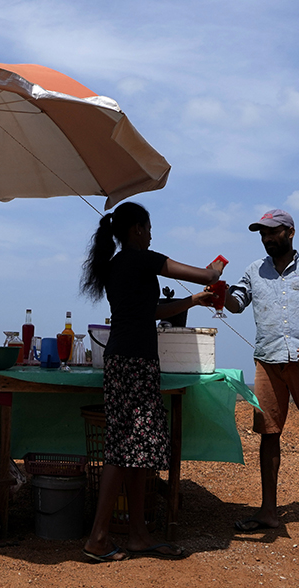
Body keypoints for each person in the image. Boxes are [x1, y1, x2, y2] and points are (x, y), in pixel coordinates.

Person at [79, 201, 223, 562]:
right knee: (122, 448)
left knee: (135, 449)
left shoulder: (114, 266)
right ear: (137, 230)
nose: (152, 233)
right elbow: (207, 273)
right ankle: (98, 538)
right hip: (135, 363)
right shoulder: (144, 258)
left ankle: (138, 534)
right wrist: (218, 266)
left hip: (122, 360)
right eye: (149, 227)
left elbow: (152, 311)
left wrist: (193, 301)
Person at [224, 208, 299, 543]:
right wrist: (217, 290)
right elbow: (236, 303)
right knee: (269, 434)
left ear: (290, 233)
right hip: (268, 362)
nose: (266, 239)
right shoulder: (253, 270)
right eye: (262, 234)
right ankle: (268, 511)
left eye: (272, 232)